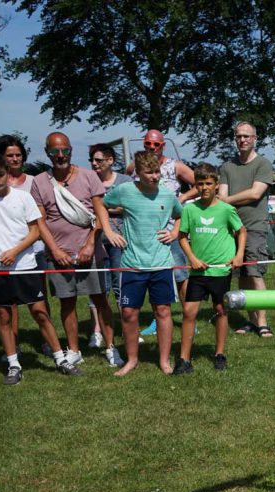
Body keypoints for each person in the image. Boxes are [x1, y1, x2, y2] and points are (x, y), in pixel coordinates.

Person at [0, 152, 80, 384]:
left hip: (24, 264)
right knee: (3, 315)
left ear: (7, 172)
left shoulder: (22, 197)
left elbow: (35, 231)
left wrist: (15, 251)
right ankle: (13, 364)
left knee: (40, 312)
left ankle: (60, 359)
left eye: (1, 175)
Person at [30, 132, 121, 368]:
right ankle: (74, 349)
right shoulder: (39, 182)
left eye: (65, 150)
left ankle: (111, 347)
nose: (61, 155)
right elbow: (40, 221)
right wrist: (54, 251)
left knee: (101, 300)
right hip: (58, 255)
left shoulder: (89, 177)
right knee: (67, 302)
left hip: (91, 253)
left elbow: (100, 214)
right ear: (47, 152)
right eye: (55, 151)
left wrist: (90, 244)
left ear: (71, 150)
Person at [101, 150, 183, 377]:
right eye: (149, 172)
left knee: (163, 311)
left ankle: (164, 361)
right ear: (138, 172)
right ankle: (132, 360)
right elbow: (101, 204)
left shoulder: (167, 194)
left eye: (157, 171)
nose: (155, 176)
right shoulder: (125, 191)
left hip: (161, 264)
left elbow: (180, 214)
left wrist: (174, 233)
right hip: (132, 264)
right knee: (128, 313)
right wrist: (109, 231)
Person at [174, 163, 246, 374]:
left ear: (216, 184)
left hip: (220, 270)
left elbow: (242, 231)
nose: (204, 188)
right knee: (189, 312)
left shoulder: (226, 209)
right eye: (200, 184)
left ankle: (219, 354)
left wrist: (239, 255)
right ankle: (184, 359)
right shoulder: (190, 209)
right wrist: (192, 258)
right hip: (198, 271)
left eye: (208, 183)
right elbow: (182, 237)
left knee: (220, 310)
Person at [128, 129, 197, 339]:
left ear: (163, 145)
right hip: (145, 234)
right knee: (151, 277)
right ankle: (157, 319)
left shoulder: (175, 166)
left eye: (156, 144)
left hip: (171, 230)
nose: (152, 147)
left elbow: (201, 182)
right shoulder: (134, 167)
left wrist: (183, 197)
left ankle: (189, 319)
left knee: (180, 275)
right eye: (148, 144)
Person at [219, 121, 275, 338]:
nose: (242, 140)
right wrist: (227, 201)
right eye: (238, 136)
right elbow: (222, 196)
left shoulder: (263, 164)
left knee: (255, 273)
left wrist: (228, 200)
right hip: (231, 229)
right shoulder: (227, 167)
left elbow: (255, 193)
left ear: (254, 139)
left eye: (246, 136)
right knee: (241, 275)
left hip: (254, 228)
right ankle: (251, 320)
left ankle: (263, 322)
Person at [0, 135, 48, 357]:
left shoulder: (34, 181)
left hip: (34, 249)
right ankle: (12, 345)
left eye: (18, 155)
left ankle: (47, 342)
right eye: (10, 155)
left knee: (39, 299)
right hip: (5, 250)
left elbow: (42, 215)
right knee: (9, 302)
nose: (15, 159)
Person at [89, 143, 132, 311]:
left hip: (119, 240)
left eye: (98, 160)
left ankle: (126, 323)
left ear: (110, 160)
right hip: (95, 240)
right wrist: (111, 207)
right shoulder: (88, 181)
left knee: (120, 283)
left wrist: (100, 207)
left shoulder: (125, 181)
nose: (94, 163)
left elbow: (129, 206)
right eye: (92, 160)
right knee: (98, 287)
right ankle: (97, 326)